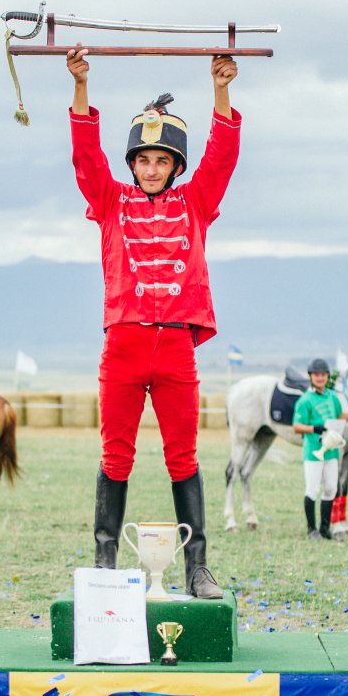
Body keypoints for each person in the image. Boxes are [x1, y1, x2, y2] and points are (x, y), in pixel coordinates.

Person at [68, 47, 240, 598]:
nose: (151, 168)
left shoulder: (195, 202)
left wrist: (220, 89)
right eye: (143, 159)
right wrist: (80, 85)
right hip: (123, 344)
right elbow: (85, 156)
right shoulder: (110, 201)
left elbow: (222, 158)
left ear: (174, 166)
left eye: (162, 161)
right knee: (115, 455)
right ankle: (103, 562)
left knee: (183, 458)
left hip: (176, 351)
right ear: (132, 163)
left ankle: (197, 569)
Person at [292, 359, 348, 540]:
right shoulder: (305, 400)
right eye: (317, 375)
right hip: (314, 452)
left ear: (327, 376)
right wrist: (314, 428)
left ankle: (325, 528)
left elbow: (339, 416)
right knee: (312, 489)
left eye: (323, 375)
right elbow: (297, 426)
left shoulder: (332, 397)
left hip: (332, 451)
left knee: (330, 489)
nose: (320, 378)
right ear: (311, 377)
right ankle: (311, 529)